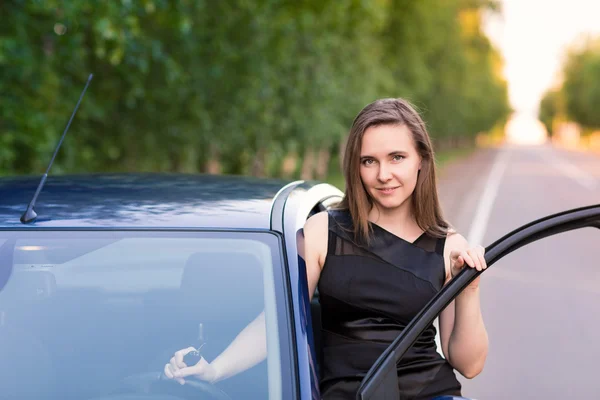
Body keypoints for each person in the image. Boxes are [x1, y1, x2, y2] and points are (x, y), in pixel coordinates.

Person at [163, 98, 489, 399]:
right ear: (355, 166)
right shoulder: (322, 232)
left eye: (397, 158)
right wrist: (216, 369)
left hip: (430, 393)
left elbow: (469, 364)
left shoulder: (450, 247)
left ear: (421, 159)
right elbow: (276, 320)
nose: (383, 174)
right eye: (369, 161)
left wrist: (469, 289)